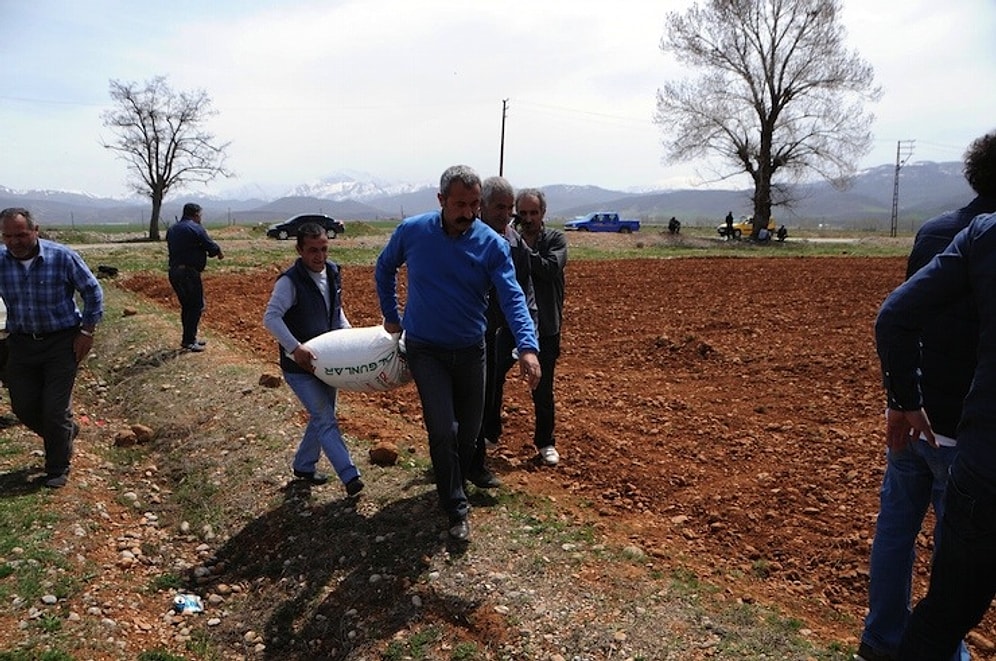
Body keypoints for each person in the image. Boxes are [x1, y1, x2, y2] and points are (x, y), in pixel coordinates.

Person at [858, 131, 996, 661]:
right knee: (954, 553)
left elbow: (902, 317)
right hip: (964, 430)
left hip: (913, 411)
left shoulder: (935, 232)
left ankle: (881, 637)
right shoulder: (983, 238)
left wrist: (901, 397)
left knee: (895, 526)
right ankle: (942, 652)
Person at [375, 165, 541, 542]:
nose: (467, 212)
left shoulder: (491, 244)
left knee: (469, 433)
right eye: (459, 204)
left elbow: (513, 298)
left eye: (473, 204)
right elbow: (384, 268)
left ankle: (457, 480)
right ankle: (455, 506)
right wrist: (391, 315)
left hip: (471, 350)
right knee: (442, 429)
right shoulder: (413, 231)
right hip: (425, 349)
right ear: (441, 201)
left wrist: (527, 348)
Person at [0, 207, 104, 488]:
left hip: (62, 342)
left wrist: (87, 331)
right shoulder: (0, 260)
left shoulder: (62, 256)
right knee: (23, 406)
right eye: (7, 236)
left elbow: (93, 291)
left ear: (35, 231)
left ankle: (57, 466)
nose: (14, 242)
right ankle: (66, 433)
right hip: (21, 343)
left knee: (55, 408)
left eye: (21, 234)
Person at [263, 222, 364, 497]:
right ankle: (349, 474)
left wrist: (351, 339)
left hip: (328, 361)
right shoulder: (289, 281)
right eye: (312, 251)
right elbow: (270, 317)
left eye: (323, 249)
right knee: (325, 417)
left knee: (322, 416)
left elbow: (336, 311)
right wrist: (295, 348)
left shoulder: (332, 272)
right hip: (299, 367)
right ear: (299, 250)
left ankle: (304, 465)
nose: (319, 256)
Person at [470, 177, 538, 490]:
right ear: (481, 206)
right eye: (499, 207)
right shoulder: (463, 238)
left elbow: (521, 292)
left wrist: (527, 340)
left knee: (487, 393)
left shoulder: (515, 244)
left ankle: (476, 458)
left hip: (493, 333)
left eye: (509, 208)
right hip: (461, 330)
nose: (506, 214)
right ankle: (457, 462)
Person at [515, 188, 568, 467]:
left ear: (543, 213)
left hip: (546, 327)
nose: (528, 218)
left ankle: (546, 442)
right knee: (490, 382)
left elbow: (549, 268)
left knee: (542, 388)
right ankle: (488, 434)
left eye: (533, 213)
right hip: (511, 326)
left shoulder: (556, 240)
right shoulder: (508, 241)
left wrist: (520, 248)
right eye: (522, 213)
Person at [166, 203, 223, 352]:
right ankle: (189, 340)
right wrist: (218, 252)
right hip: (188, 274)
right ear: (196, 214)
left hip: (174, 272)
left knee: (187, 306)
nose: (200, 218)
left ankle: (189, 338)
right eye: (200, 215)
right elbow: (210, 246)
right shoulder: (196, 228)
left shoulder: (172, 229)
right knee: (196, 306)